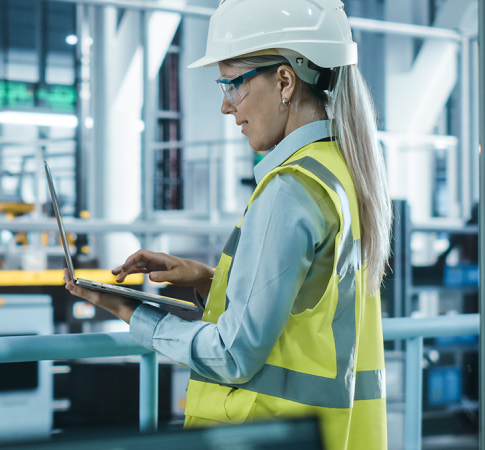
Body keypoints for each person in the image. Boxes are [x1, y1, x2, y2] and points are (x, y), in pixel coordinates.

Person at [63, 0, 391, 448]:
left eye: (232, 83)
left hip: (267, 432)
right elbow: (307, 303)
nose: (224, 104)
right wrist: (207, 280)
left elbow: (234, 355)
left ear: (284, 81)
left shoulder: (290, 188)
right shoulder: (341, 170)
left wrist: (133, 314)